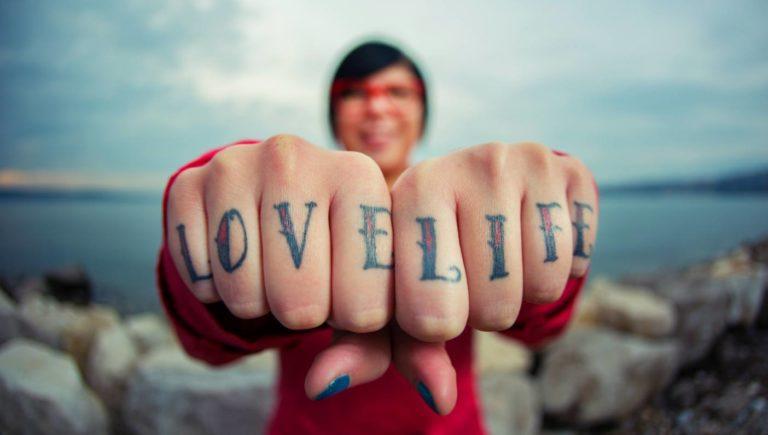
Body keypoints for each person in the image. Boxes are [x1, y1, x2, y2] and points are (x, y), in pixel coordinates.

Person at [157, 40, 598, 434]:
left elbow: (543, 325)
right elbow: (206, 343)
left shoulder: (463, 210)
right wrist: (222, 208)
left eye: (398, 92)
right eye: (353, 93)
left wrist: (539, 215)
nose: (376, 108)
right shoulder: (290, 206)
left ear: (423, 113)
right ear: (333, 115)